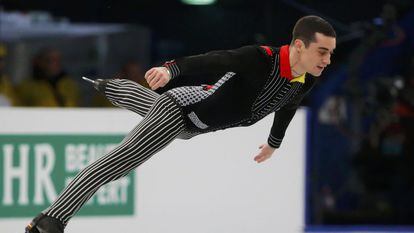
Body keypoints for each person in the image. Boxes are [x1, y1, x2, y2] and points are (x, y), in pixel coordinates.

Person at [25, 15, 336, 233]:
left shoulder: (304, 79)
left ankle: (108, 86)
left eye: (331, 53)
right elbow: (216, 59)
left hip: (192, 125)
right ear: (298, 46)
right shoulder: (261, 58)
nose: (327, 60)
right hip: (179, 110)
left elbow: (288, 106)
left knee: (155, 110)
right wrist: (171, 70)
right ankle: (51, 219)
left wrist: (274, 142)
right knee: (117, 163)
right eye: (322, 51)